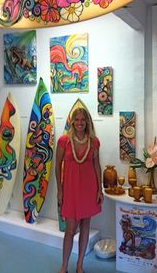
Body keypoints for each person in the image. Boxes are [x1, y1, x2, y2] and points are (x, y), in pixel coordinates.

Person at [55, 107, 103, 273]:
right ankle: (64, 266)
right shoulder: (63, 141)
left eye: (83, 120)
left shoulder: (94, 141)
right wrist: (59, 190)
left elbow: (97, 166)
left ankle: (80, 265)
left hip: (89, 189)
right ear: (72, 122)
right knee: (69, 230)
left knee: (85, 226)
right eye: (77, 120)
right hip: (70, 189)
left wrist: (99, 190)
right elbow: (57, 167)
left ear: (87, 121)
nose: (80, 123)